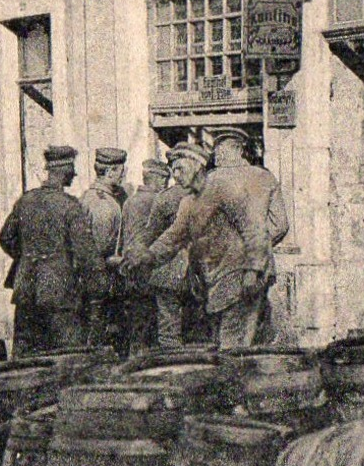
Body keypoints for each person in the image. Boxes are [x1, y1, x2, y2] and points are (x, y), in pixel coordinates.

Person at [125, 128, 289, 348]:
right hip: (219, 278)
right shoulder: (189, 201)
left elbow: (254, 230)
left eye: (180, 169)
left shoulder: (222, 189)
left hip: (239, 274)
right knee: (235, 341)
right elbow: (174, 236)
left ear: (197, 167)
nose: (175, 176)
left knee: (232, 344)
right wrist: (147, 256)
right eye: (173, 170)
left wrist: (252, 268)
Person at [0, 145, 103, 355]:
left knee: (25, 355)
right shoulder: (70, 206)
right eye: (72, 169)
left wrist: (28, 256)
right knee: (66, 357)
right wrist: (98, 284)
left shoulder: (25, 201)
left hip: (26, 290)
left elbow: (5, 238)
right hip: (60, 294)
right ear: (65, 171)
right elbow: (86, 255)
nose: (74, 174)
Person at [137, 143, 208, 348]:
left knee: (169, 331)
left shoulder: (165, 198)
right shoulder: (211, 195)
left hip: (168, 271)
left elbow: (151, 234)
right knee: (202, 330)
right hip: (200, 269)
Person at [118, 158, 171, 351]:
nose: (166, 183)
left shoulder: (130, 201)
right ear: (158, 179)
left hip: (131, 267)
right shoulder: (158, 201)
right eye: (165, 179)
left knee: (137, 321)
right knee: (153, 322)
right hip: (150, 268)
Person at [79, 147, 129, 350]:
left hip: (90, 280)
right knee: (99, 336)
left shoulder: (87, 196)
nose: (123, 176)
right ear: (110, 172)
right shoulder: (104, 205)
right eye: (121, 172)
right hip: (101, 281)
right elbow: (99, 250)